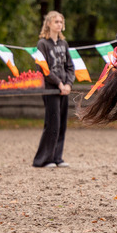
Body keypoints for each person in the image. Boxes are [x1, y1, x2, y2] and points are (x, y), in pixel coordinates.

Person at [33, 11, 75, 168]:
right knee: (53, 123)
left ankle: (57, 157)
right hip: (50, 89)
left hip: (64, 90)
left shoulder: (64, 45)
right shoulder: (42, 44)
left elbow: (70, 66)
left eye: (61, 21)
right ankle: (44, 159)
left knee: (62, 123)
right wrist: (58, 83)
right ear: (48, 24)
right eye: (56, 21)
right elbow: (43, 69)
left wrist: (69, 84)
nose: (59, 24)